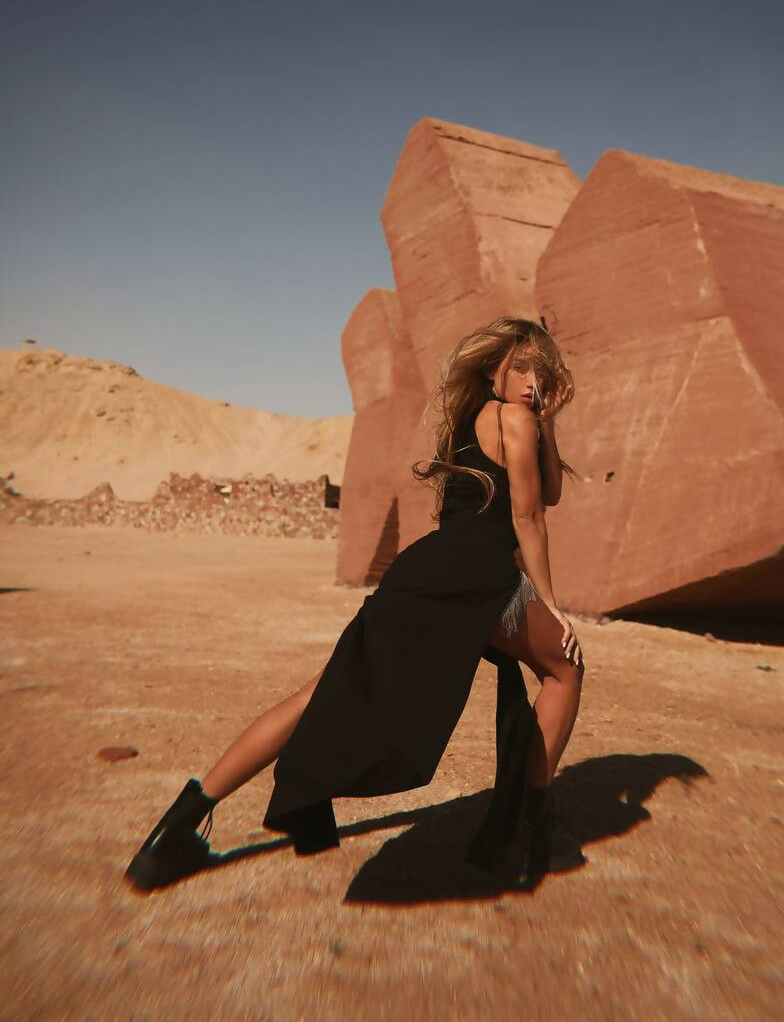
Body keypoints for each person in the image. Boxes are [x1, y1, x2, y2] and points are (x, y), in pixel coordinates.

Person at [125, 316, 585, 892]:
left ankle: (175, 828)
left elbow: (550, 490)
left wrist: (549, 424)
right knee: (566, 668)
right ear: (495, 367)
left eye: (542, 373)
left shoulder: (478, 422)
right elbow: (530, 516)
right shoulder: (513, 419)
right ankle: (531, 831)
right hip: (476, 581)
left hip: (422, 573)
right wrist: (550, 603)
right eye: (523, 369)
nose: (533, 384)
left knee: (320, 694)